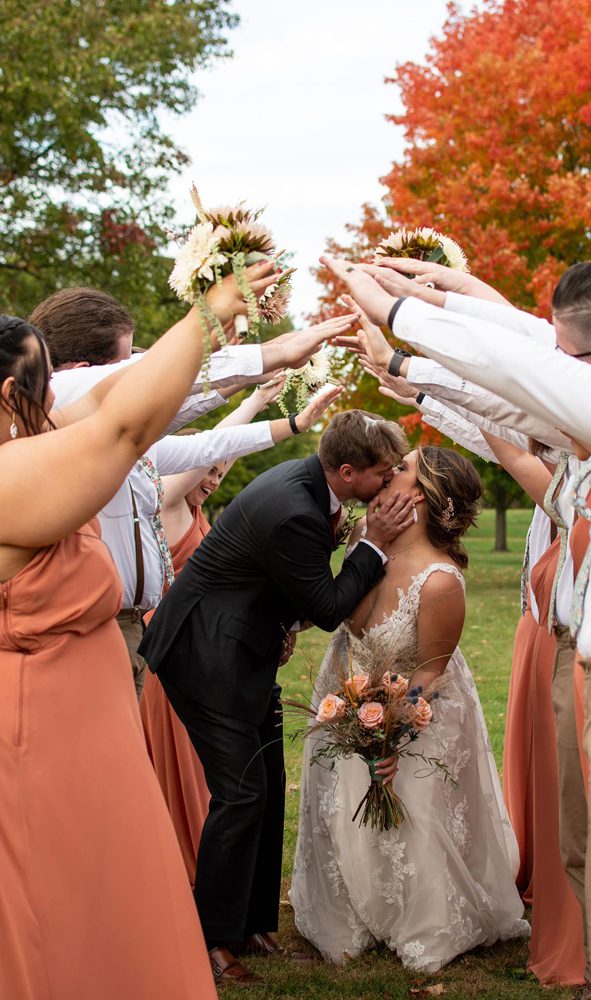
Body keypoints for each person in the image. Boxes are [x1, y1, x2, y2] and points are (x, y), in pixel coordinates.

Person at [325, 254, 591, 1000]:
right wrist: (426, 342)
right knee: (587, 862)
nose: (554, 367)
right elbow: (516, 399)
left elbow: (522, 372)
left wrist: (400, 315)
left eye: (567, 359)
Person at [0, 264, 274, 1000]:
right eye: (43, 384)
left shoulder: (27, 451)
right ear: (11, 396)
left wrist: (233, 335)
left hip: (83, 727)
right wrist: (207, 311)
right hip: (42, 734)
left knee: (102, 894)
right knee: (64, 909)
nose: (62, 398)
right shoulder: (9, 478)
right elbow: (127, 425)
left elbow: (118, 396)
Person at [139, 409, 417, 986]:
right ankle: (212, 940)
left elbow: (287, 585)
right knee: (240, 794)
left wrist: (282, 622)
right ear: (346, 471)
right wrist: (374, 542)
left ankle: (254, 924)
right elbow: (327, 605)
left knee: (263, 784)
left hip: (243, 646)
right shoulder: (293, 508)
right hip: (204, 654)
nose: (390, 483)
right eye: (383, 474)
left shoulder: (313, 487)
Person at [31, 285, 355, 697]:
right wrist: (265, 355)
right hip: (95, 629)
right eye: (125, 359)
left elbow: (199, 442)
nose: (138, 366)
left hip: (131, 628)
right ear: (80, 371)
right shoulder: (69, 398)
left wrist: (287, 419)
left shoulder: (114, 438)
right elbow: (162, 384)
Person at [290, 445, 529, 970]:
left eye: (401, 468)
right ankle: (355, 907)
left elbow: (430, 672)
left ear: (419, 494)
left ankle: (422, 918)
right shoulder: (364, 541)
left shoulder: (440, 581)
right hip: (348, 686)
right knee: (341, 803)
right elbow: (337, 611)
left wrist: (392, 732)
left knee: (415, 811)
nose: (388, 472)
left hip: (419, 706)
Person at [140, 377, 336, 884]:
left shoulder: (202, 512)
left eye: (222, 473)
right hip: (186, 647)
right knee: (212, 775)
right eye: (208, 469)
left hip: (220, 646)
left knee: (228, 780)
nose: (214, 478)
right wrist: (252, 402)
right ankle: (183, 867)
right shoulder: (166, 503)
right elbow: (209, 446)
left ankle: (212, 873)